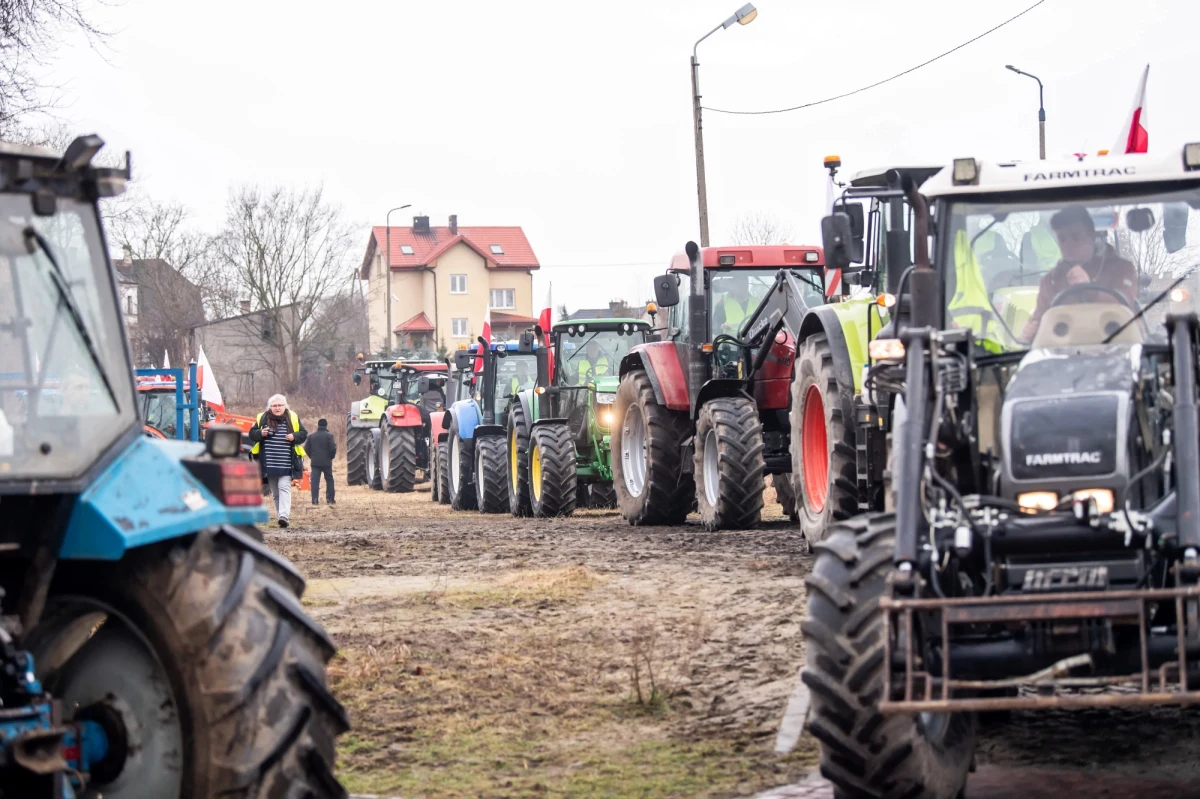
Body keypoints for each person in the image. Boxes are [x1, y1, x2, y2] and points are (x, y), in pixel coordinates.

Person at [1019, 205, 1138, 342]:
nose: (1068, 245)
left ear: (1091, 236)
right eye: (1062, 239)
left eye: (1076, 237)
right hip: (1064, 351)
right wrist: (1030, 332)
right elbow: (1039, 321)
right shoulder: (1050, 281)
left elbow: (1125, 308)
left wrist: (1089, 288)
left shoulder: (1122, 270)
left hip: (1116, 347)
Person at [248, 394, 308, 528]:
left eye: (280, 405)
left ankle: (284, 516)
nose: (277, 408)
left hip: (287, 462)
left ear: (285, 406)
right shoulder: (262, 418)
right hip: (269, 463)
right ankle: (281, 516)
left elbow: (304, 434)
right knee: (275, 492)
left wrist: (294, 436)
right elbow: (252, 434)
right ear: (270, 407)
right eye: (274, 406)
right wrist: (260, 433)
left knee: (284, 487)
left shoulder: (292, 417)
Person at [306, 417, 336, 506]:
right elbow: (332, 448)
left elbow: (306, 448)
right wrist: (331, 457)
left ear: (318, 425)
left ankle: (314, 500)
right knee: (329, 480)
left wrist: (312, 457)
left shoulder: (311, 436)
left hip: (315, 463)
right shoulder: (329, 436)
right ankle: (330, 500)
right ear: (326, 425)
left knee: (315, 481)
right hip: (327, 462)